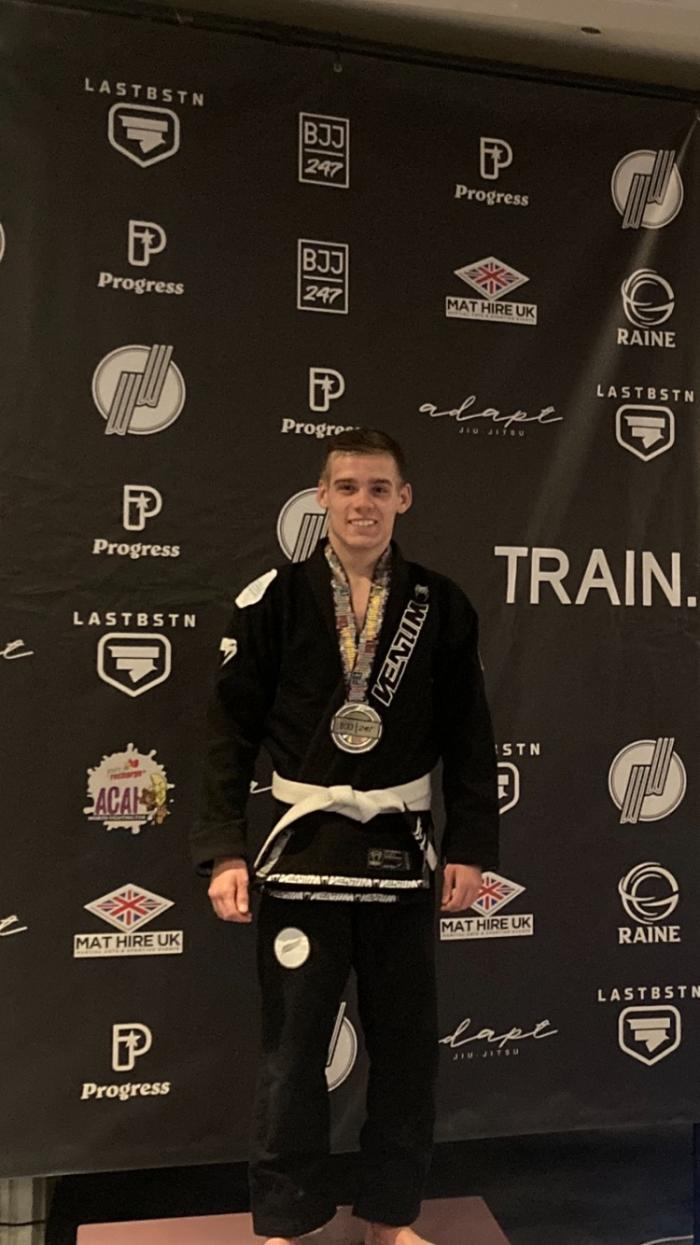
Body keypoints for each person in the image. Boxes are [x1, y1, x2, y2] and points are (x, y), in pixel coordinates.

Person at [191, 428, 499, 1245]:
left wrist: (470, 845)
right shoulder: (272, 599)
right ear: (321, 496)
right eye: (349, 486)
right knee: (293, 1050)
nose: (364, 503)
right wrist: (224, 848)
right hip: (305, 851)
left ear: (404, 498)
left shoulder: (441, 604)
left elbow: (471, 738)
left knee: (405, 1049)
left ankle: (388, 1219)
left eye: (379, 487)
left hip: (402, 852)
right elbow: (228, 735)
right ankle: (286, 1221)